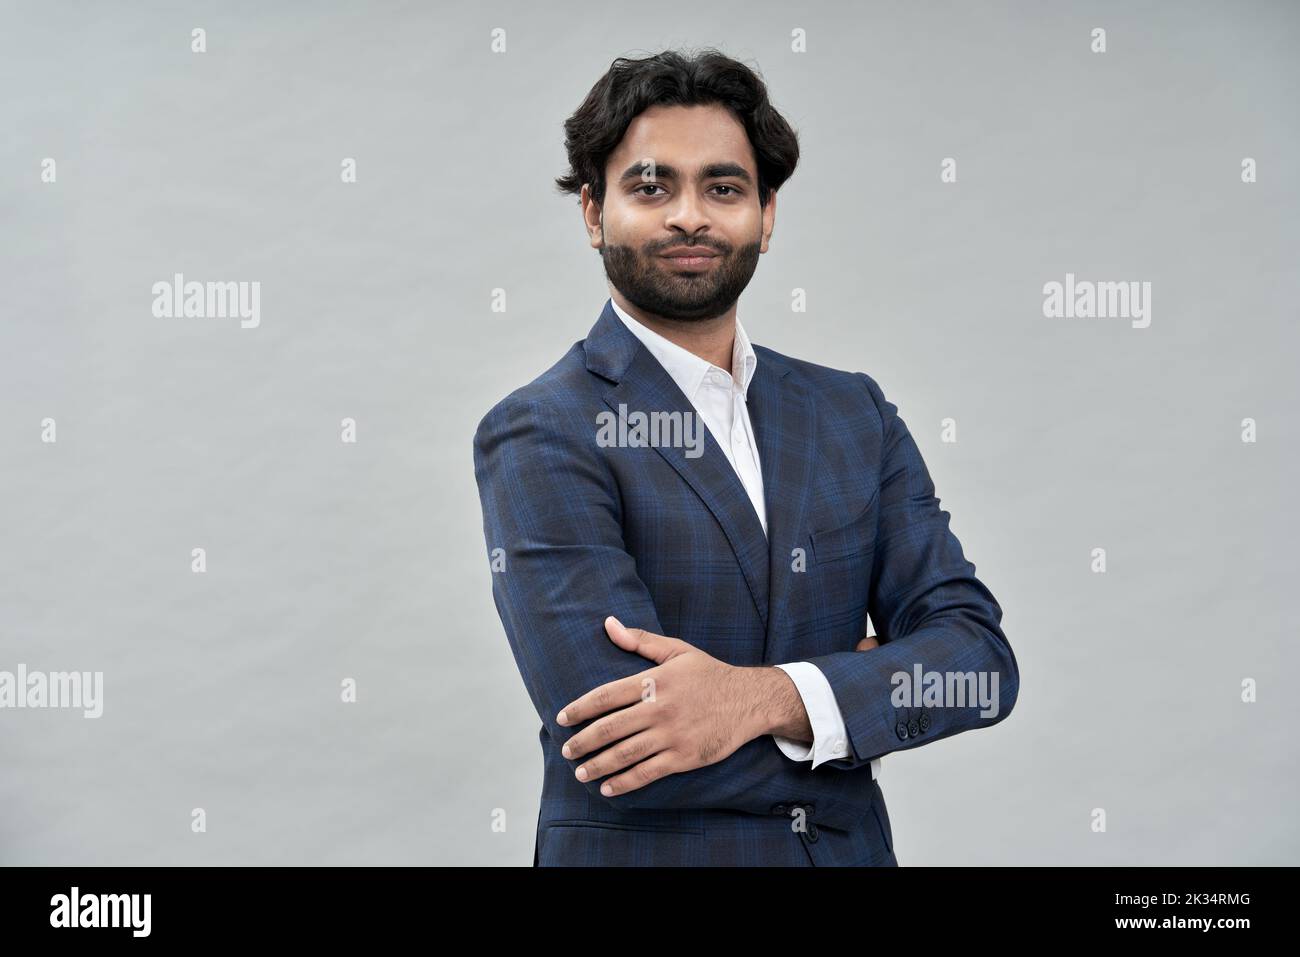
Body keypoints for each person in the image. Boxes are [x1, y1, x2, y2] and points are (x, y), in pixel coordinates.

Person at [473, 48, 1019, 866]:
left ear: (766, 217)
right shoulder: (541, 428)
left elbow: (976, 664)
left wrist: (753, 697)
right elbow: (623, 746)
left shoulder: (852, 413)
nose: (688, 215)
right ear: (593, 214)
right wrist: (848, 700)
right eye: (651, 187)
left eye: (723, 188)